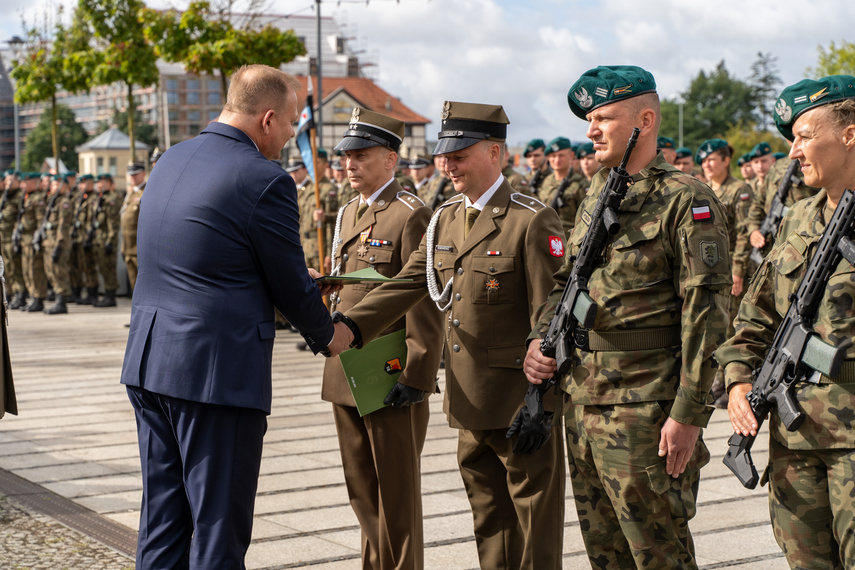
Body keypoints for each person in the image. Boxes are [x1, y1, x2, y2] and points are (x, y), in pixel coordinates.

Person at [120, 64, 353, 568]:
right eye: (292, 123)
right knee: (218, 529)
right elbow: (289, 283)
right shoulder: (264, 178)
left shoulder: (171, 158)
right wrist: (327, 333)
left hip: (150, 362)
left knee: (162, 521)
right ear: (267, 119)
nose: (294, 135)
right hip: (214, 378)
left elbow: (200, 254)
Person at [524, 65, 731, 569]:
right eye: (589, 119)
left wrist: (687, 414)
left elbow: (707, 318)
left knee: (658, 554)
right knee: (606, 555)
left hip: (646, 411)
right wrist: (539, 340)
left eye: (603, 118)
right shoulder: (599, 191)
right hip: (584, 401)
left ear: (645, 119)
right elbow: (567, 279)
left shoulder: (688, 199)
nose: (591, 130)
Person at [344, 101, 567, 569]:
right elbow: (408, 282)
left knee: (533, 527)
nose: (448, 165)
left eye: (460, 155)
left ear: (495, 153)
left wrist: (544, 396)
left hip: (518, 401)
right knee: (490, 523)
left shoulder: (531, 219)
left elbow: (552, 311)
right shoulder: (445, 216)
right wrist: (351, 327)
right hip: (468, 398)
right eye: (446, 155)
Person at [716, 75, 855, 570]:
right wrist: (737, 383)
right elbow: (755, 317)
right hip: (795, 440)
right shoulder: (798, 218)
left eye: (803, 136)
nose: (793, 151)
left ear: (849, 134)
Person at [323, 107, 443, 570]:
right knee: (361, 489)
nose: (349, 164)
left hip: (390, 370)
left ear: (391, 159)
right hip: (345, 366)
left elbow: (424, 297)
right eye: (346, 156)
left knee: (395, 492)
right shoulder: (347, 211)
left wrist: (418, 371)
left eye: (361, 155)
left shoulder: (412, 214)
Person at [695, 138, 753, 408]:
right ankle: (712, 382)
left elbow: (743, 234)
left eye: (712, 160)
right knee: (709, 326)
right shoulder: (702, 188)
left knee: (729, 326)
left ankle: (725, 383)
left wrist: (739, 271)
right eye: (704, 162)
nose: (707, 165)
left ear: (726, 160)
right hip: (707, 270)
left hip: (730, 270)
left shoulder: (739, 189)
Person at [41, 174, 73, 314]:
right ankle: (57, 299)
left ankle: (61, 302)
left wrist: (59, 244)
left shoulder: (64, 202)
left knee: (60, 272)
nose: (53, 187)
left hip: (59, 243)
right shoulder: (53, 201)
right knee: (51, 271)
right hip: (49, 242)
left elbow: (63, 225)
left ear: (65, 186)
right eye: (52, 184)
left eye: (56, 184)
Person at [19, 172, 48, 313]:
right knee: (27, 271)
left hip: (33, 241)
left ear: (34, 182)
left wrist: (38, 239)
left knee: (35, 270)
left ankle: (39, 298)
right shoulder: (27, 197)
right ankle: (33, 296)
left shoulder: (38, 198)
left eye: (26, 182)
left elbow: (41, 221)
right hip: (25, 240)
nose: (22, 185)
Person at [89, 174, 120, 307]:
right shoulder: (99, 199)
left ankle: (110, 296)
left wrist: (110, 241)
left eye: (102, 182)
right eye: (98, 182)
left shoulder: (111, 199)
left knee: (109, 268)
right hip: (98, 239)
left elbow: (113, 223)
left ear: (109, 183)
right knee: (102, 268)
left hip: (107, 240)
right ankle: (107, 294)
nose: (99, 185)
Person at [1, 171, 26, 309]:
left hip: (12, 238)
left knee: (15, 268)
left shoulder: (19, 197)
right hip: (3, 238)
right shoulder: (5, 196)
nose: (7, 183)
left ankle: (20, 294)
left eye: (11, 180)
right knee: (6, 268)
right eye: (6, 180)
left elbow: (20, 218)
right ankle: (9, 294)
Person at [120, 162, 146, 292]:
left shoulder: (146, 192)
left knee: (143, 285)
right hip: (128, 247)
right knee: (133, 284)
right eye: (131, 175)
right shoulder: (130, 193)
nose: (133, 178)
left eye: (136, 175)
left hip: (139, 247)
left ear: (143, 174)